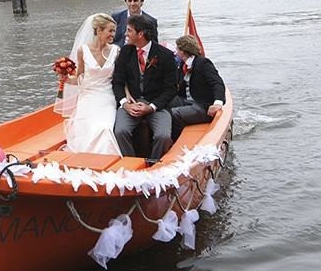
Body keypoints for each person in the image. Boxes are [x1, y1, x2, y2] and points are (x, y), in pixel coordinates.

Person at [111, 14, 177, 160]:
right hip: (131, 103)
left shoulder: (165, 55)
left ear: (140, 34)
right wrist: (124, 104)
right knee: (120, 131)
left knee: (163, 136)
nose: (125, 34)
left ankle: (153, 163)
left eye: (129, 30)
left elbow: (171, 88)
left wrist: (151, 107)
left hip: (156, 104)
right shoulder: (125, 52)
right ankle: (132, 164)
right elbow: (117, 82)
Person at [54, 13, 121, 155]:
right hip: (87, 97)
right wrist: (65, 79)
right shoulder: (82, 51)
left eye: (114, 31)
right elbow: (79, 78)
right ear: (99, 30)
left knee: (105, 128)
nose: (113, 34)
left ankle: (106, 159)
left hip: (106, 97)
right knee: (86, 128)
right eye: (110, 31)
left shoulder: (116, 51)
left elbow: (120, 79)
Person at [170, 35, 226, 139]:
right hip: (186, 100)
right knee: (164, 104)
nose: (176, 52)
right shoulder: (182, 65)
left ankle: (176, 140)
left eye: (177, 49)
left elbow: (217, 82)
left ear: (183, 51)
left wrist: (217, 103)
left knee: (173, 113)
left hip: (202, 104)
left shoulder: (203, 63)